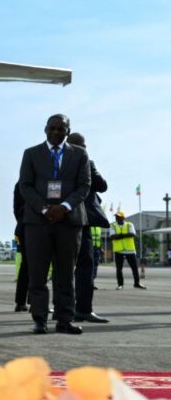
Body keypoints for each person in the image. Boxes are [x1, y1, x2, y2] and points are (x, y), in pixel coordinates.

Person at [19, 114, 91, 335]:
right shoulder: (31, 154)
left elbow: (84, 185)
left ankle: (64, 319)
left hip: (69, 222)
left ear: (68, 131)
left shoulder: (79, 155)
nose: (57, 132)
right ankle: (39, 319)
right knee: (38, 273)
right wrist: (45, 209)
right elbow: (26, 186)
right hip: (38, 222)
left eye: (61, 129)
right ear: (45, 129)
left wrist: (64, 207)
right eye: (53, 128)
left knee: (66, 273)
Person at [66, 132, 110, 323]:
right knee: (84, 265)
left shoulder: (56, 163)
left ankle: (63, 309)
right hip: (80, 220)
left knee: (63, 267)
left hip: (61, 219)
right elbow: (102, 186)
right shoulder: (87, 163)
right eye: (82, 145)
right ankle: (82, 309)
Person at [110, 210, 146, 290]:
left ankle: (137, 283)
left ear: (123, 217)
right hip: (118, 250)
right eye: (116, 217)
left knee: (134, 268)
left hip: (130, 250)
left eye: (119, 217)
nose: (117, 218)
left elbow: (132, 234)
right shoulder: (113, 226)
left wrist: (119, 235)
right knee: (119, 269)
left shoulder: (129, 224)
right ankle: (120, 284)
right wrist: (125, 235)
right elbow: (112, 236)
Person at [13, 182, 29, 311]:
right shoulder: (40, 181)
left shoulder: (20, 184)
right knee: (38, 266)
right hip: (36, 227)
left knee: (25, 266)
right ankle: (35, 302)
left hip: (23, 226)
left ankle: (20, 302)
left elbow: (16, 210)